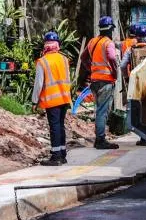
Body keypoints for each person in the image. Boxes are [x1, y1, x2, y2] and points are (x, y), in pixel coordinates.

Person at [79, 16, 120, 150]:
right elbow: (113, 58)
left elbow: (83, 57)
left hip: (95, 81)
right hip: (106, 81)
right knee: (103, 111)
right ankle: (100, 140)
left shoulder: (92, 42)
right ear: (110, 29)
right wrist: (115, 72)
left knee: (99, 110)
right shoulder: (108, 43)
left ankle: (100, 137)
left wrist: (90, 68)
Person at [33, 31, 72, 166]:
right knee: (60, 126)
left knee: (54, 127)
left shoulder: (42, 61)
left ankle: (56, 156)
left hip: (52, 100)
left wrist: (34, 101)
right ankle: (62, 154)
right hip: (65, 98)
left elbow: (38, 84)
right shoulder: (64, 59)